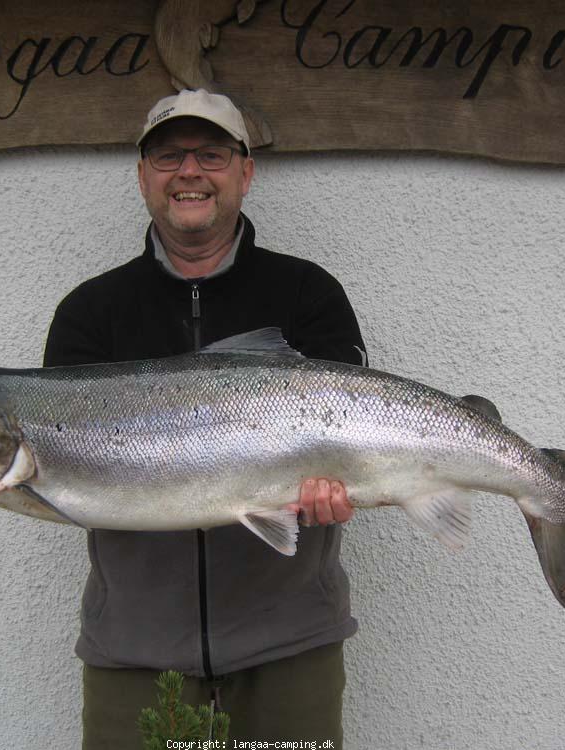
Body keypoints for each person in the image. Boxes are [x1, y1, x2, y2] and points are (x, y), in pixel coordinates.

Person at [44, 89, 366, 747]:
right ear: (143, 177)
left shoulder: (309, 294)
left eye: (211, 154)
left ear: (245, 172)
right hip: (134, 652)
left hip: (289, 649)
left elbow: (353, 433)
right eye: (168, 156)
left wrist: (337, 486)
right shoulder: (90, 313)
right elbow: (61, 466)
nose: (189, 172)